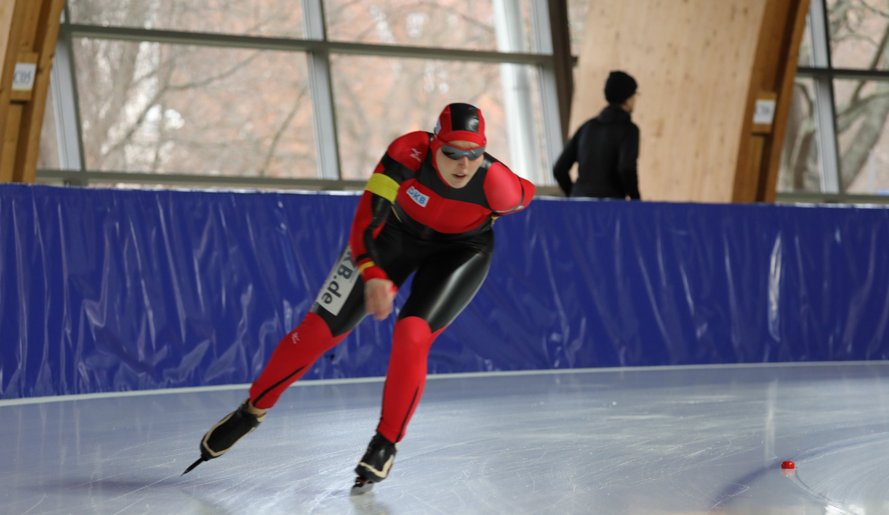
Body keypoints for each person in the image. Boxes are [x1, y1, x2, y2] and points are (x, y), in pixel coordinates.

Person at [185, 103, 535, 487]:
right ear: (434, 144)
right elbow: (365, 222)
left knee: (413, 334)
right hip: (390, 236)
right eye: (451, 152)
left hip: (460, 251)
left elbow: (527, 193)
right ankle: (251, 411)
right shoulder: (406, 153)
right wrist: (371, 273)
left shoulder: (500, 185)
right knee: (317, 332)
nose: (463, 164)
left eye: (474, 153)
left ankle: (385, 442)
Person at [553, 70, 641, 200]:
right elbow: (626, 168)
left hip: (580, 201)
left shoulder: (586, 127)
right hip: (610, 204)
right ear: (628, 99)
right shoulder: (629, 130)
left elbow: (559, 168)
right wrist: (636, 201)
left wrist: (573, 194)